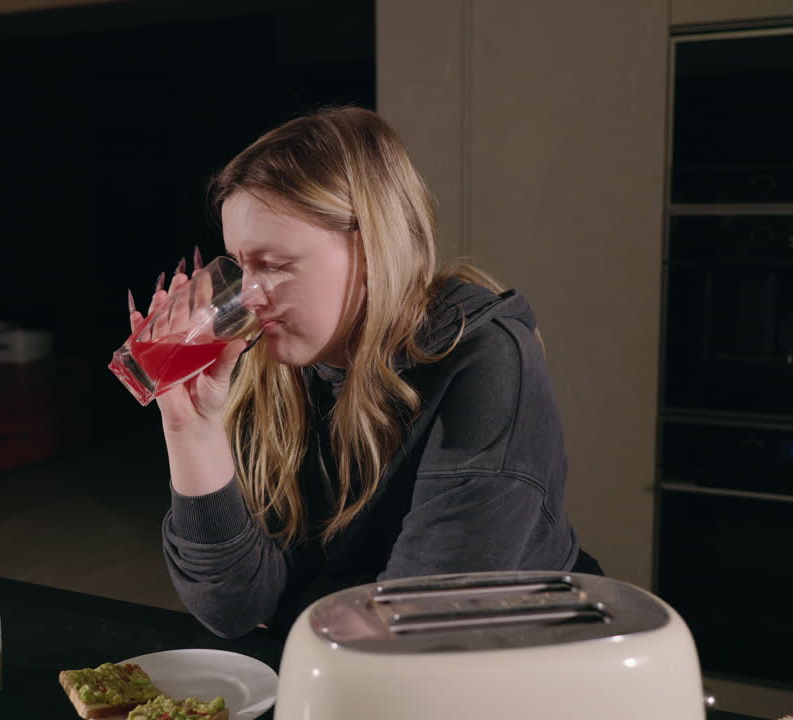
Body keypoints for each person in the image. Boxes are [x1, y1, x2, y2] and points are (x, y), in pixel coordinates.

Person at [132, 106, 598, 639]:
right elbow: (234, 609)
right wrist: (191, 429)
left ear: (374, 245)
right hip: (344, 664)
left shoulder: (488, 361)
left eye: (275, 265)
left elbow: (416, 621)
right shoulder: (269, 361)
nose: (248, 297)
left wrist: (291, 604)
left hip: (517, 662)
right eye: (240, 265)